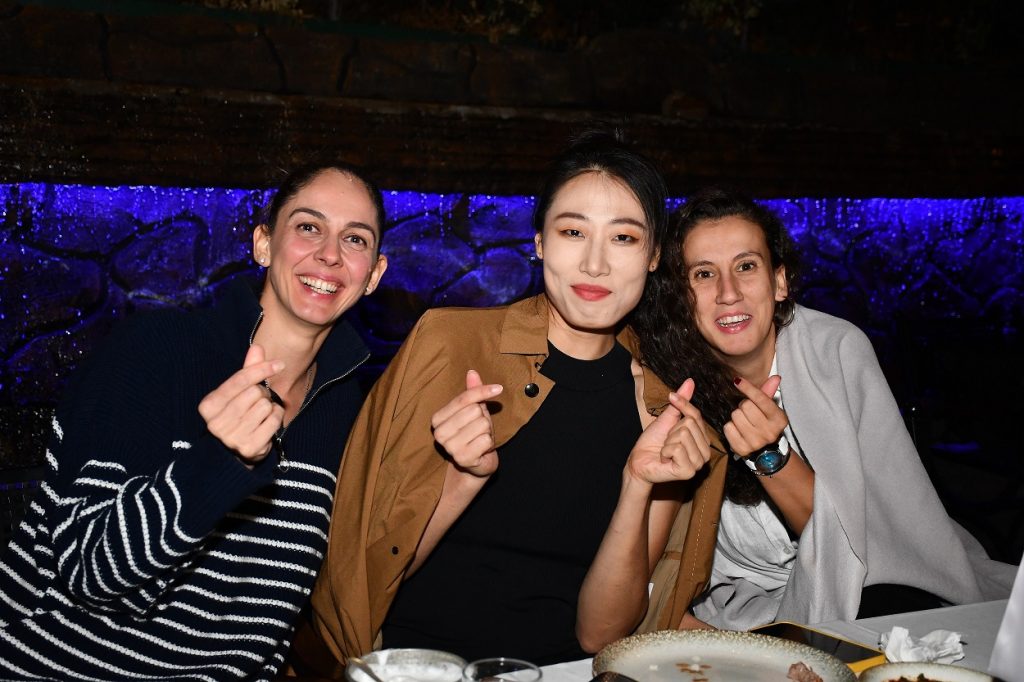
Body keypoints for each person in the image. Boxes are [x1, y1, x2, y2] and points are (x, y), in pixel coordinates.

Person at [303, 131, 726, 669]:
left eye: (623, 238)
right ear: (540, 242)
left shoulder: (665, 407)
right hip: (425, 666)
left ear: (653, 256)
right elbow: (361, 576)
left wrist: (638, 484)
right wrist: (461, 477)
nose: (595, 264)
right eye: (573, 232)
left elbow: (601, 635)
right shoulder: (449, 345)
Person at [0, 162, 389, 680]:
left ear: (374, 275)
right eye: (308, 226)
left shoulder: (345, 410)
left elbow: (294, 609)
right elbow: (87, 573)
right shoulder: (156, 352)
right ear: (263, 244)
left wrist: (458, 478)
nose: (330, 254)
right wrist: (219, 463)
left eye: (355, 239)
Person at [633, 186, 1015, 632]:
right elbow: (657, 579)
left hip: (867, 587)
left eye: (746, 266)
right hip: (740, 615)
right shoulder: (667, 390)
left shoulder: (835, 352)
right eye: (703, 274)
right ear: (681, 298)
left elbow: (858, 545)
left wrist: (769, 455)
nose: (728, 293)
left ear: (779, 282)